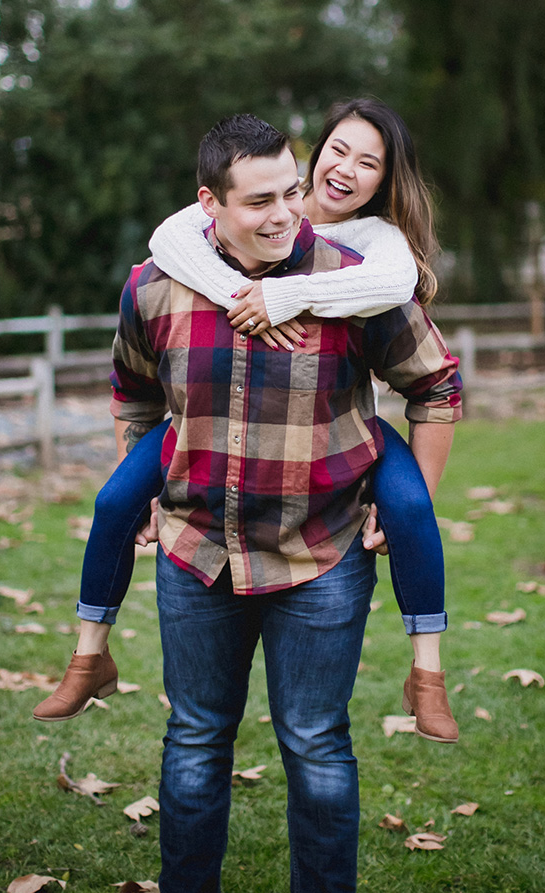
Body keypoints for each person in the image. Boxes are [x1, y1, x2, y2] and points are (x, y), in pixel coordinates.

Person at [103, 113, 460, 893]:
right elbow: (132, 393)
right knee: (192, 743)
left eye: (291, 194)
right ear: (208, 206)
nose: (283, 215)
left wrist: (412, 500)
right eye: (258, 201)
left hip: (323, 555)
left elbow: (434, 384)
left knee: (317, 747)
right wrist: (135, 480)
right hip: (197, 555)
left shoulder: (355, 283)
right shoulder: (153, 288)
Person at [33, 99, 460, 746]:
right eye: (336, 150)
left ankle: (426, 674)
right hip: (202, 439)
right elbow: (169, 244)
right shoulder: (218, 226)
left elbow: (404, 306)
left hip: (333, 445)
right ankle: (89, 653)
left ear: (384, 181)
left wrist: (288, 293)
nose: (344, 169)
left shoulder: (373, 244)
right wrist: (238, 290)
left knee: (409, 508)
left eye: (367, 162)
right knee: (117, 497)